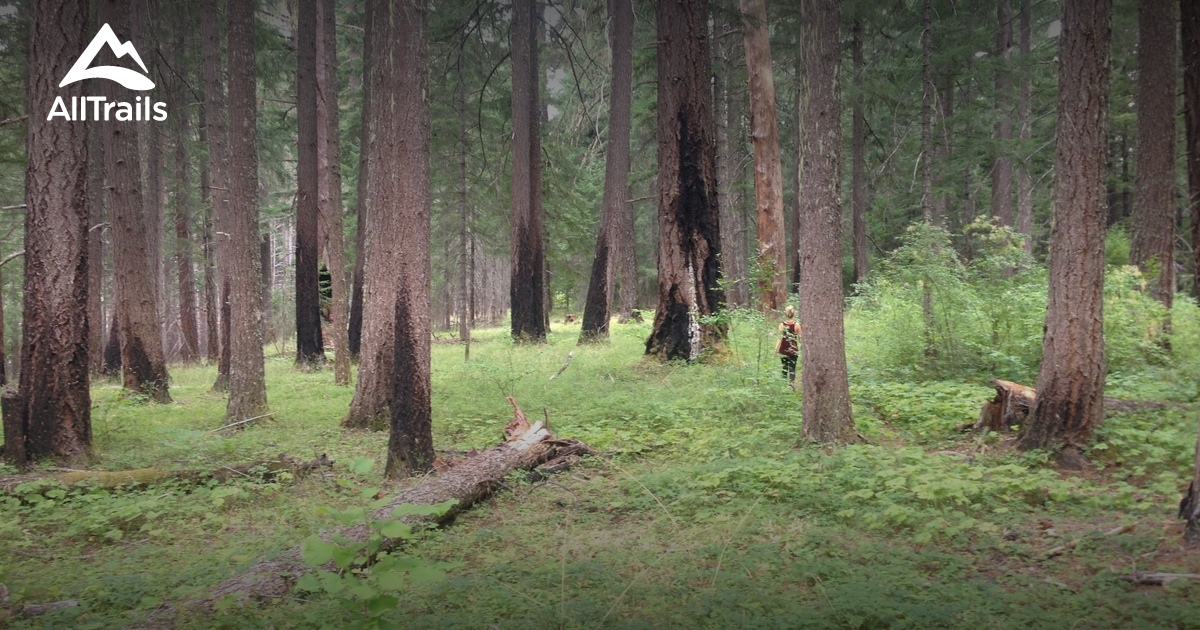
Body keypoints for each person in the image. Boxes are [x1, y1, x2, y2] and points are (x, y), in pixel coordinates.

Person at [775, 305, 800, 385]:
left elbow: (779, 338)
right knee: (792, 369)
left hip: (783, 350)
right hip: (793, 350)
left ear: (786, 314)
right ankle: (792, 386)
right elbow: (801, 338)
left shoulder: (782, 325)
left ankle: (783, 386)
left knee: (784, 368)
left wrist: (775, 349)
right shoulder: (797, 325)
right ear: (793, 314)